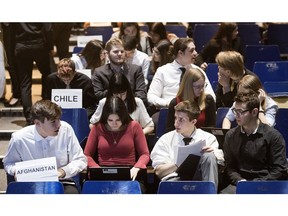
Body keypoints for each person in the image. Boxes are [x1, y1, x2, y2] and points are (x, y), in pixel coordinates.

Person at [3, 99, 87, 194]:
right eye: (53, 122)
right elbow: (8, 163)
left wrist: (62, 171)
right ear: (38, 123)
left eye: (59, 119)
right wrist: (17, 171)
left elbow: (80, 160)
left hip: (62, 181)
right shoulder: (19, 138)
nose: (58, 125)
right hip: (31, 183)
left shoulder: (66, 129)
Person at [220, 93, 288, 194]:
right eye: (235, 111)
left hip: (266, 184)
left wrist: (254, 184)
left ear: (254, 112)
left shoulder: (273, 136)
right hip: (239, 184)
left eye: (241, 112)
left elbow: (279, 170)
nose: (236, 115)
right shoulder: (231, 135)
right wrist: (241, 181)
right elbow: (229, 167)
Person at [84, 96, 150, 191]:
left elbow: (145, 154)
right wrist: (96, 169)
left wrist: (137, 167)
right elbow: (87, 154)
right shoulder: (97, 127)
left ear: (123, 116)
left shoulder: (134, 126)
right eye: (110, 120)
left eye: (118, 120)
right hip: (103, 172)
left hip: (129, 171)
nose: (114, 124)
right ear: (105, 117)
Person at [150, 100, 220, 188]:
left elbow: (219, 161)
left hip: (200, 179)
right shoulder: (165, 139)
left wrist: (213, 153)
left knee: (210, 156)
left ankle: (210, 195)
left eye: (181, 120)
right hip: (174, 180)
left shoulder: (208, 138)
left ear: (193, 122)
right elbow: (159, 172)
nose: (176, 123)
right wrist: (178, 163)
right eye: (175, 118)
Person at [147, 37, 215, 126]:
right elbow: (151, 96)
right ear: (180, 53)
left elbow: (212, 96)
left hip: (195, 112)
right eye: (191, 50)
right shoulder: (163, 71)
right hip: (170, 112)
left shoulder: (199, 71)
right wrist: (170, 104)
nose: (195, 53)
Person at [12, 23, 54, 125]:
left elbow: (11, 29)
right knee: (47, 75)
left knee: (25, 83)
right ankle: (45, 110)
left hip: (21, 46)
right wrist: (50, 46)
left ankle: (29, 118)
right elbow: (48, 29)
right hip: (39, 45)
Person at [90, 72, 154, 135]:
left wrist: (137, 135)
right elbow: (92, 125)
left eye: (123, 94)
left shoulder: (137, 102)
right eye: (116, 94)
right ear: (111, 92)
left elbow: (150, 126)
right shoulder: (104, 103)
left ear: (128, 91)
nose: (120, 97)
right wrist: (105, 135)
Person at [92, 38, 147, 105]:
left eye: (122, 51)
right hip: (108, 108)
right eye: (115, 52)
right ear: (107, 54)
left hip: (132, 107)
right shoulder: (99, 72)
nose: (120, 54)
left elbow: (142, 95)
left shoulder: (136, 70)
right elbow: (98, 96)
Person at [166, 67, 216, 132]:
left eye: (203, 86)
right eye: (198, 87)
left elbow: (211, 127)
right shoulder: (175, 103)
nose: (201, 90)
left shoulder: (208, 100)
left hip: (202, 138)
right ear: (188, 86)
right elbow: (170, 130)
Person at [1, 23, 21, 107]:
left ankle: (17, 94)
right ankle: (18, 94)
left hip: (12, 29)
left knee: (12, 63)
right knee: (12, 64)